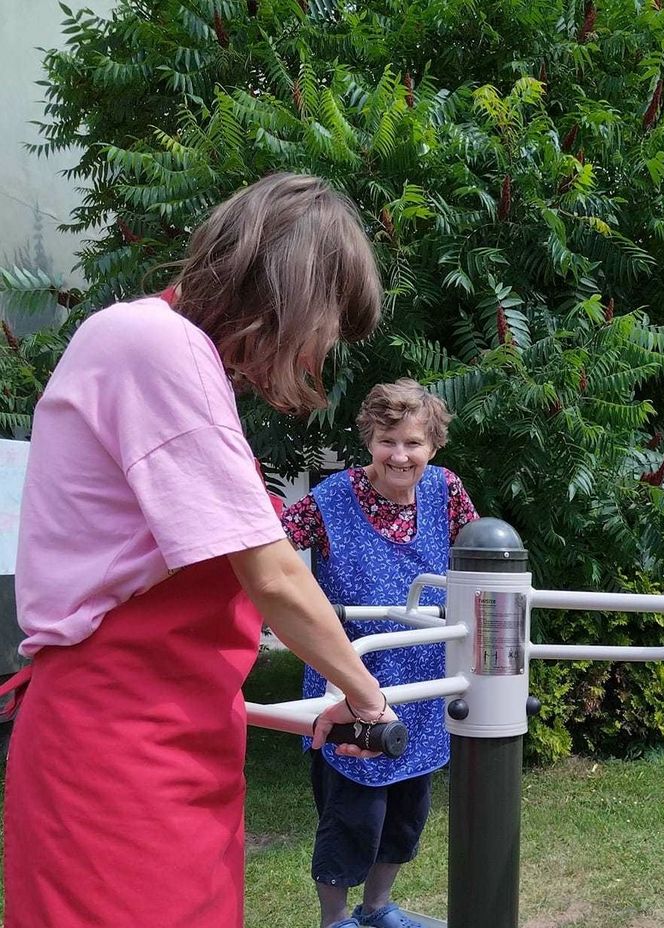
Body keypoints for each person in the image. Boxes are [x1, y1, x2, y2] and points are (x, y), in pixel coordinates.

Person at [1, 173, 399, 928]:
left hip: (180, 736)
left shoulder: (177, 359)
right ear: (291, 294)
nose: (320, 355)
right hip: (114, 743)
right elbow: (274, 572)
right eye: (327, 329)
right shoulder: (152, 343)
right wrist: (365, 696)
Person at [282, 379, 478, 928]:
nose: (400, 455)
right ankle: (336, 919)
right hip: (351, 684)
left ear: (432, 446)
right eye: (387, 440)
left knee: (406, 814)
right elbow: (268, 552)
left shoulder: (447, 491)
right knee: (353, 815)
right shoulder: (331, 498)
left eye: (413, 443)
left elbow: (481, 565)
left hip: (426, 685)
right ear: (369, 438)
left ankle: (377, 909)